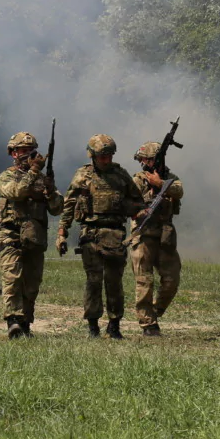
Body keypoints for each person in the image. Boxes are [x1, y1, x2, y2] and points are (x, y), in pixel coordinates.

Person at [57, 134, 144, 340]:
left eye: (109, 156)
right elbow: (68, 205)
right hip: (90, 234)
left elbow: (137, 202)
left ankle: (114, 325)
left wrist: (137, 212)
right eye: (101, 156)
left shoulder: (121, 176)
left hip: (115, 234)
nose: (106, 160)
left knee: (114, 282)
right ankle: (93, 326)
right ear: (92, 155)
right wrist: (62, 233)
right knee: (93, 281)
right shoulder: (82, 176)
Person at [0, 132, 63, 339]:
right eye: (22, 151)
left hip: (34, 238)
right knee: (12, 278)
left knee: (32, 284)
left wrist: (51, 192)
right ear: (13, 153)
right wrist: (34, 172)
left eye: (30, 150)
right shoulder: (6, 176)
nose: (27, 154)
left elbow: (57, 208)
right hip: (10, 236)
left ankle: (25, 323)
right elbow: (15, 192)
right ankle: (13, 321)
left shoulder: (42, 179)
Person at [129, 142, 184, 336]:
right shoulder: (137, 180)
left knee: (172, 279)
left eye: (147, 159)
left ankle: (155, 311)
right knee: (144, 281)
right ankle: (148, 324)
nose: (144, 163)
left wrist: (160, 184)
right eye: (142, 160)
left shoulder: (171, 179)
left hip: (165, 236)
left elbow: (179, 191)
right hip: (143, 235)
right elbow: (128, 202)